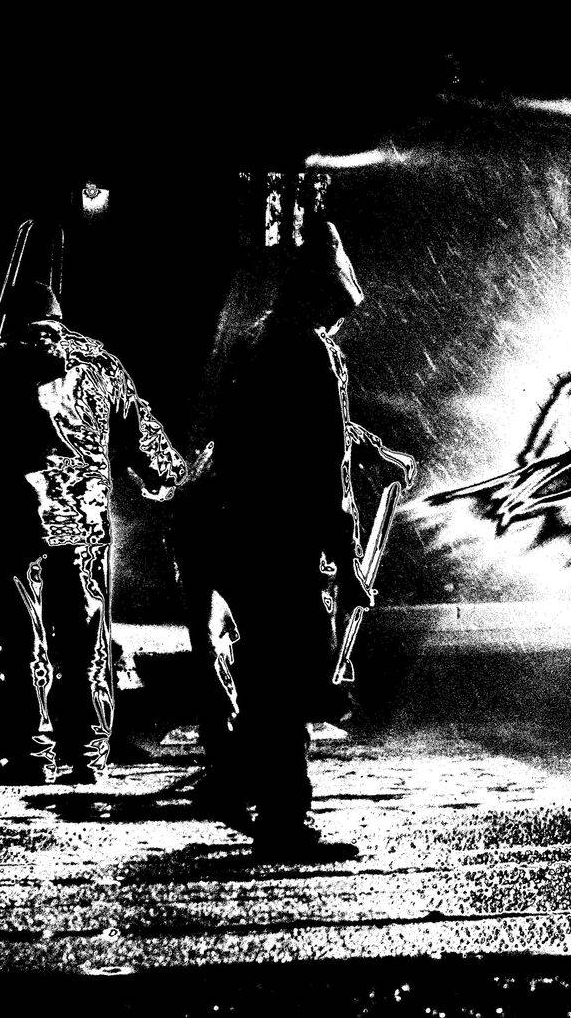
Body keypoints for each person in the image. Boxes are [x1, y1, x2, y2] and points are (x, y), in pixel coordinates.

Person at [202, 216, 413, 859]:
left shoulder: (256, 342)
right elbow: (327, 467)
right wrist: (347, 562)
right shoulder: (313, 353)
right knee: (292, 676)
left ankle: (260, 793)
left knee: (263, 671)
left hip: (241, 532)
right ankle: (285, 818)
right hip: (288, 540)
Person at [0, 279, 188, 785]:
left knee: (23, 636)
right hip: (86, 520)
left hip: (19, 518)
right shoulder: (101, 364)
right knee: (87, 635)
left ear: (10, 323)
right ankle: (89, 755)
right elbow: (143, 438)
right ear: (59, 319)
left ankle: (32, 755)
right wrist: (174, 480)